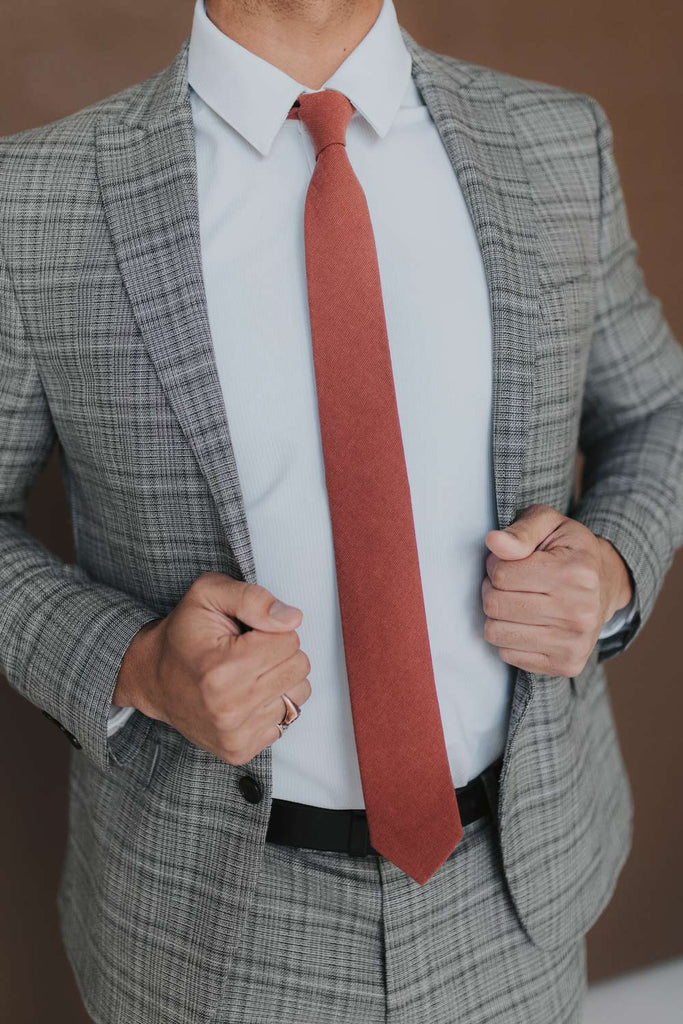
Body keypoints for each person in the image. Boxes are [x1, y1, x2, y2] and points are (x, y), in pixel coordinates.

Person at [1, 0, 682, 1020]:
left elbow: (658, 410)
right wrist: (135, 665)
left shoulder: (554, 141)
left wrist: (613, 565)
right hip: (206, 934)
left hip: (512, 896)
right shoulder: (32, 198)